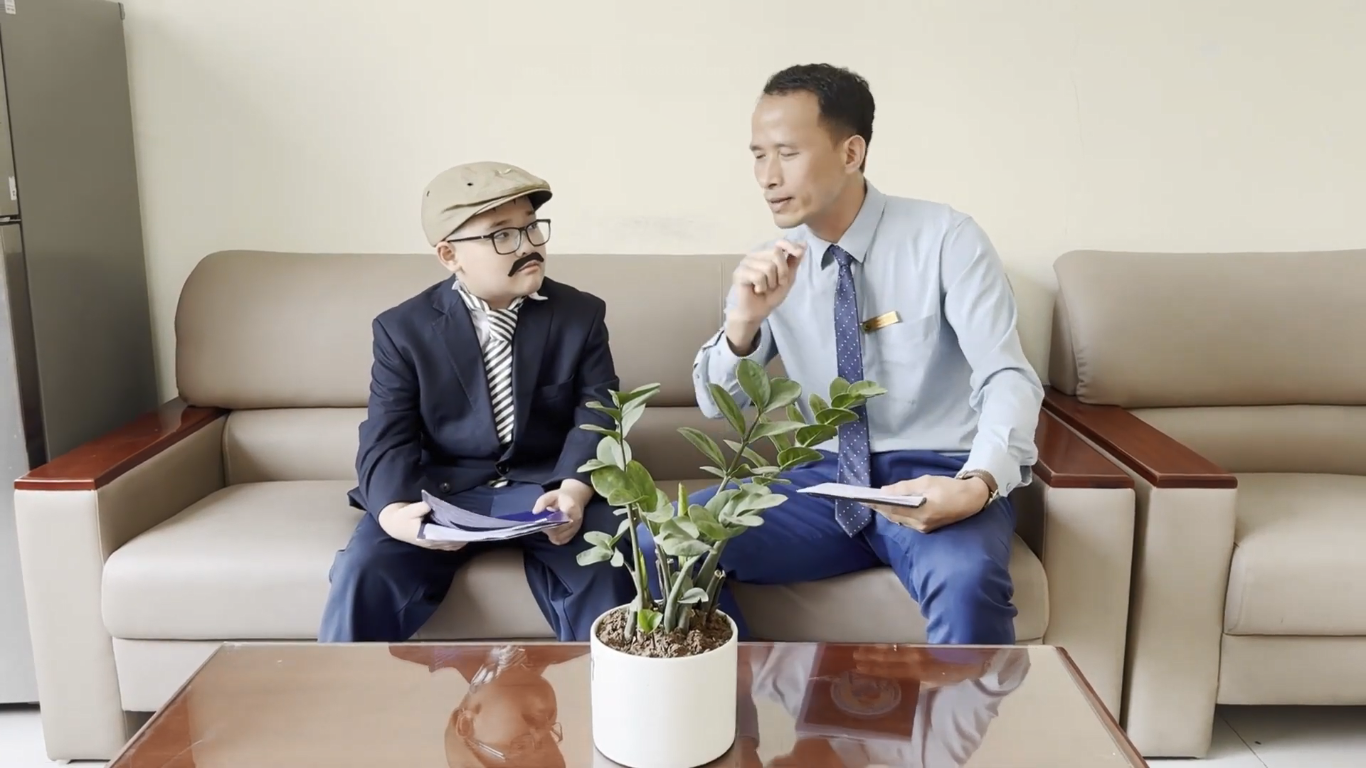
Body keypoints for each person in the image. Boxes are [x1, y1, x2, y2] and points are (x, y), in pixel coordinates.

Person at [646, 63, 1044, 645]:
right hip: (823, 479)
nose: (767, 177)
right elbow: (716, 403)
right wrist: (743, 324)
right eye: (758, 155)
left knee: (966, 580)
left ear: (851, 152)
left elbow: (1007, 375)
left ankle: (965, 712)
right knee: (665, 543)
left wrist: (977, 482)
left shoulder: (946, 239)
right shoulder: (772, 262)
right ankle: (760, 695)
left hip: (936, 471)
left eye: (787, 153)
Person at [319, 161, 633, 644]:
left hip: (547, 487)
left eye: (532, 227)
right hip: (443, 492)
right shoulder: (403, 330)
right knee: (365, 569)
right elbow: (387, 435)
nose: (527, 245)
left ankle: (608, 688)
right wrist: (393, 513)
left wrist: (574, 490)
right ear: (450, 255)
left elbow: (598, 413)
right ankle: (347, 692)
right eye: (502, 235)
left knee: (609, 567)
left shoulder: (580, 314)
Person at [732, 645, 1030, 767]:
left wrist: (741, 744)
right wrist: (958, 664)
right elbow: (1010, 666)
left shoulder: (764, 680)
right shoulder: (930, 754)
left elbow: (727, 644)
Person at [390, 644, 582, 768]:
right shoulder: (578, 644)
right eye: (548, 736)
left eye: (521, 746)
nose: (541, 730)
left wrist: (472, 652)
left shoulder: (426, 650)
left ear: (466, 725)